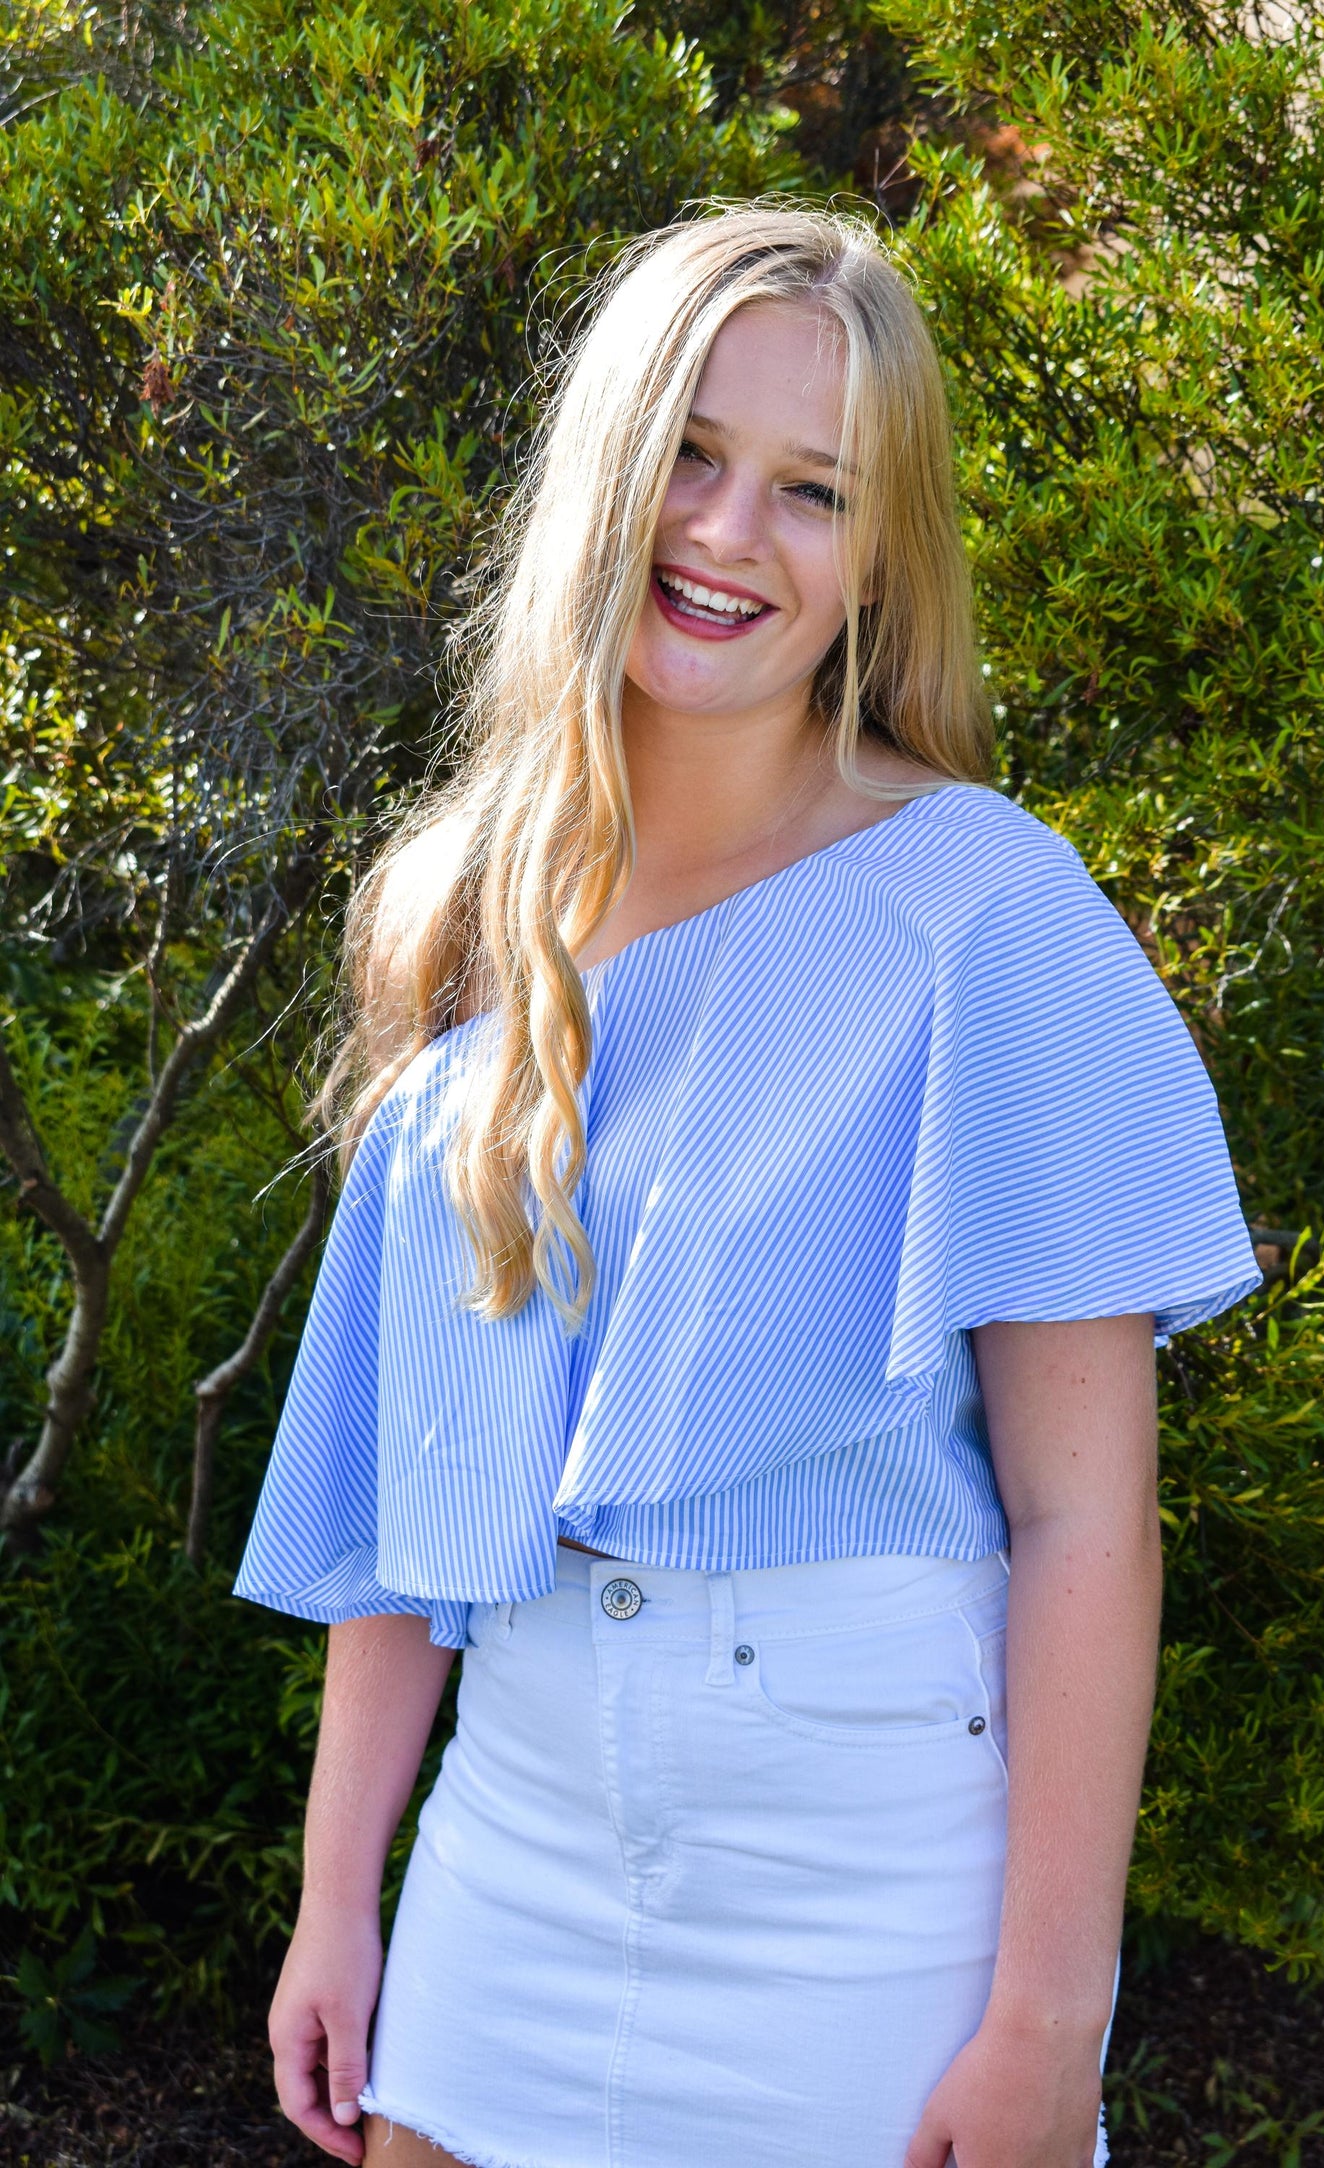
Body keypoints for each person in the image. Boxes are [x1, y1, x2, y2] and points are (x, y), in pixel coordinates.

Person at [233, 203, 1261, 2168]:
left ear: (881, 559)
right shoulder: (468, 914)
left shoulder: (986, 913)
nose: (726, 533)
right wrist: (337, 1893)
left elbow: (1084, 1519)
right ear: (603, 470)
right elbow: (419, 1502)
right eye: (690, 456)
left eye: (811, 491)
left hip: (870, 1884)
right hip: (512, 1845)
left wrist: (1054, 2016)